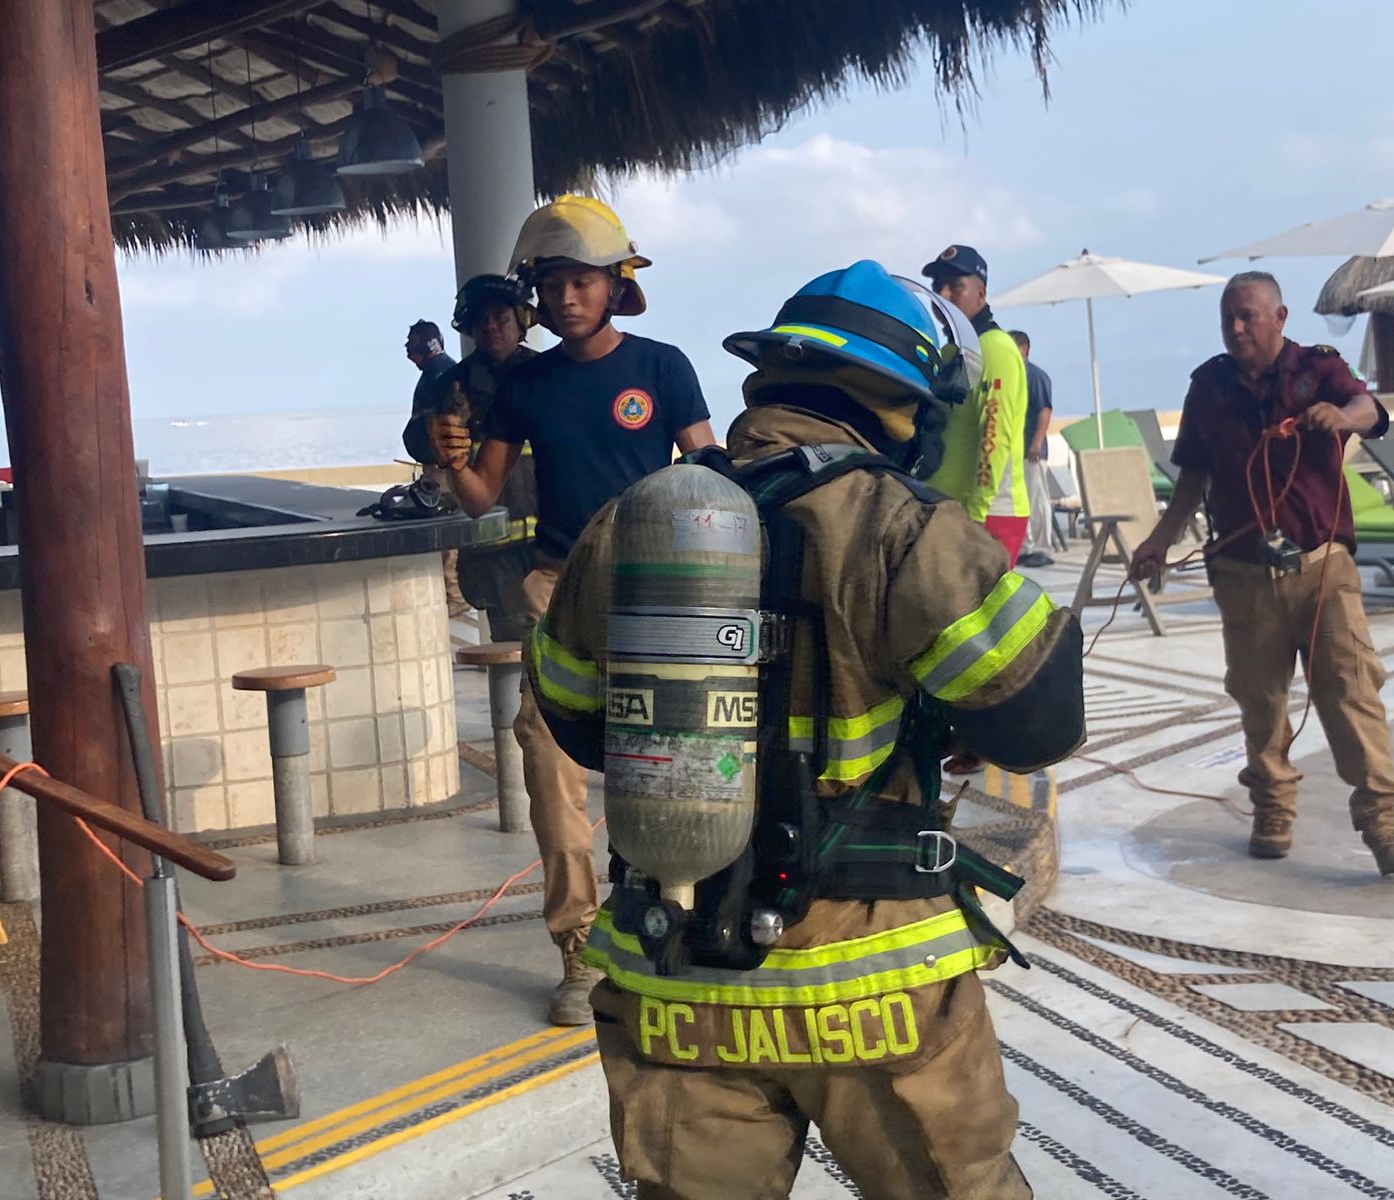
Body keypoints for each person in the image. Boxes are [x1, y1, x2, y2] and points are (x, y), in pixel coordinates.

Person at [524, 261, 1084, 1199]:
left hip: (676, 975)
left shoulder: (631, 522)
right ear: (906, 404)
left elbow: (578, 721)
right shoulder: (906, 527)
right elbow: (1038, 721)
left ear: (769, 378)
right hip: (874, 988)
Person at [430, 196, 717, 1023]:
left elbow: (709, 473)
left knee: (670, 762)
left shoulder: (663, 368)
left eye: (581, 280)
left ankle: (679, 921)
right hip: (557, 592)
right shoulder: (524, 383)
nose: (564, 298)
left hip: (660, 589)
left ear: (617, 283)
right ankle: (579, 947)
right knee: (547, 761)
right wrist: (452, 463)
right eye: (551, 284)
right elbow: (483, 491)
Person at [1131, 271, 1394, 874]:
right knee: (1260, 701)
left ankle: (1384, 822)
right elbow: (1192, 478)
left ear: (1280, 317)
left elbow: (1370, 408)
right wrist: (1159, 541)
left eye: (1248, 316)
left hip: (1323, 565)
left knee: (1352, 693)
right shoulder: (1209, 386)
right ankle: (1273, 807)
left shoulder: (1318, 369)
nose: (1236, 328)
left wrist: (1341, 416)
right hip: (1244, 571)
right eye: (1228, 317)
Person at [404, 276, 539, 642]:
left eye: (501, 317)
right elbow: (414, 438)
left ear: (521, 323)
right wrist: (432, 431)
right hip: (494, 555)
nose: (492, 326)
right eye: (483, 319)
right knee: (516, 659)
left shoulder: (549, 375)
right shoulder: (453, 384)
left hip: (552, 550)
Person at [921, 245, 1030, 569]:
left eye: (955, 286)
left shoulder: (995, 349)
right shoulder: (952, 352)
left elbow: (995, 436)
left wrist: (975, 518)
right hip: (945, 508)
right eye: (937, 286)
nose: (943, 294)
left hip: (989, 514)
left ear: (981, 293)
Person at [404, 320, 465, 616]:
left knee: (446, 530)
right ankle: (449, 592)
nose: (407, 350)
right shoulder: (437, 373)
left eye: (411, 344)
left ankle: (454, 594)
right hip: (437, 464)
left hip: (444, 467)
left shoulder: (441, 374)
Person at [1011, 331, 1055, 568]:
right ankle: (1026, 546)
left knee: (1037, 498)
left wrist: (1036, 443)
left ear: (1025, 349)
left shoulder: (1035, 376)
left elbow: (1044, 411)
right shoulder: (1013, 375)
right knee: (1022, 499)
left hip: (1031, 449)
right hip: (1016, 450)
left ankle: (1042, 546)